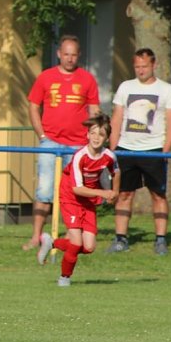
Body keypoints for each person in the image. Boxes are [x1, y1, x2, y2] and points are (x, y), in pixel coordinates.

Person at [24, 34, 100, 251]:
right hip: (50, 142)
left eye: (73, 55)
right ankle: (36, 237)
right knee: (44, 190)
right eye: (65, 54)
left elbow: (94, 110)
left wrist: (93, 139)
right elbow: (33, 106)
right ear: (59, 54)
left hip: (77, 145)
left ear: (79, 56)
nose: (69, 58)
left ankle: (71, 237)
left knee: (75, 192)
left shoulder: (87, 79)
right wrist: (41, 134)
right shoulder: (46, 77)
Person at [107, 48, 171, 255]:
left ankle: (160, 240)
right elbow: (117, 118)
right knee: (124, 194)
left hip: (154, 150)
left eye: (144, 66)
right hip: (126, 149)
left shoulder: (166, 90)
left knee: (158, 195)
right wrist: (113, 149)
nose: (140, 70)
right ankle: (120, 239)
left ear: (154, 65)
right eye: (137, 66)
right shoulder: (125, 87)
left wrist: (165, 152)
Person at [38, 115, 119, 286]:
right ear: (87, 135)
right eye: (93, 133)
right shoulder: (79, 156)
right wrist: (104, 193)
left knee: (88, 247)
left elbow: (116, 172)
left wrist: (115, 192)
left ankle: (51, 242)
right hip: (70, 197)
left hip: (88, 199)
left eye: (101, 134)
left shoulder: (109, 156)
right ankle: (64, 278)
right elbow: (77, 188)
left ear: (106, 138)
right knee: (75, 242)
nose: (96, 137)